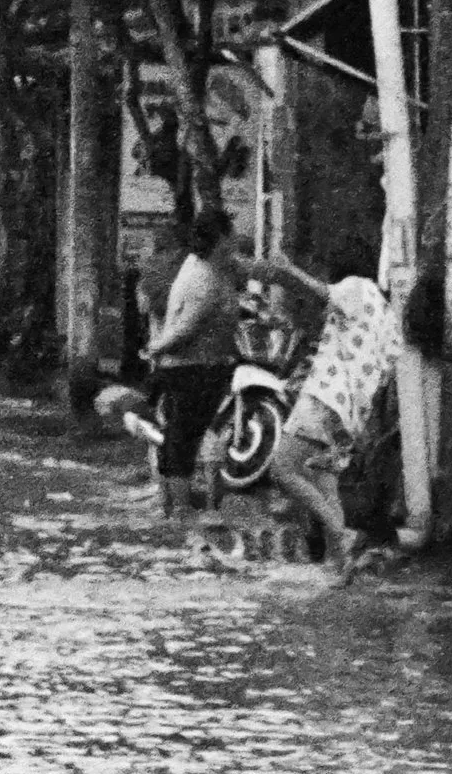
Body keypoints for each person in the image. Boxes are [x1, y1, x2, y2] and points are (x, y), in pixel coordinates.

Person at [243, 249, 401, 573]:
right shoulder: (384, 310)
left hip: (326, 399)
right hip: (351, 412)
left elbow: (318, 290)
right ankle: (341, 567)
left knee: (283, 469)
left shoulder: (356, 287)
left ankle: (343, 537)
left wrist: (288, 271)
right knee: (324, 482)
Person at [144, 205, 241, 519]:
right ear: (221, 239)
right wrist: (156, 348)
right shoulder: (204, 277)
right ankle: (181, 509)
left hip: (196, 366)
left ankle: (173, 505)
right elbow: (187, 328)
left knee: (182, 436)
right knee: (184, 438)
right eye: (232, 234)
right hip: (192, 369)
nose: (237, 239)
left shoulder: (207, 265)